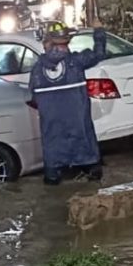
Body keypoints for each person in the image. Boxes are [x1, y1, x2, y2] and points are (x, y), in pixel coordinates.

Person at [29, 21, 107, 185]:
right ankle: (92, 170)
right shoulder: (77, 62)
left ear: (46, 44)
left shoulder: (37, 70)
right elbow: (99, 53)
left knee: (52, 187)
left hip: (53, 151)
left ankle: (52, 177)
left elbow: (34, 99)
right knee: (93, 181)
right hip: (82, 139)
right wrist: (99, 31)